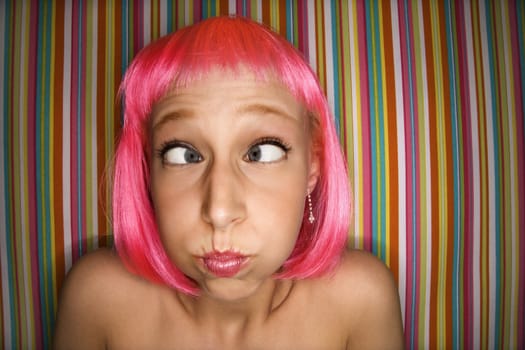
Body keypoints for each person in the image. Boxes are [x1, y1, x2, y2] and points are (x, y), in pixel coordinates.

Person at [53, 16, 404, 349]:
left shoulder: (360, 301)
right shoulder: (97, 301)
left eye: (261, 152)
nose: (219, 211)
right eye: (183, 155)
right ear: (147, 168)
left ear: (313, 162)